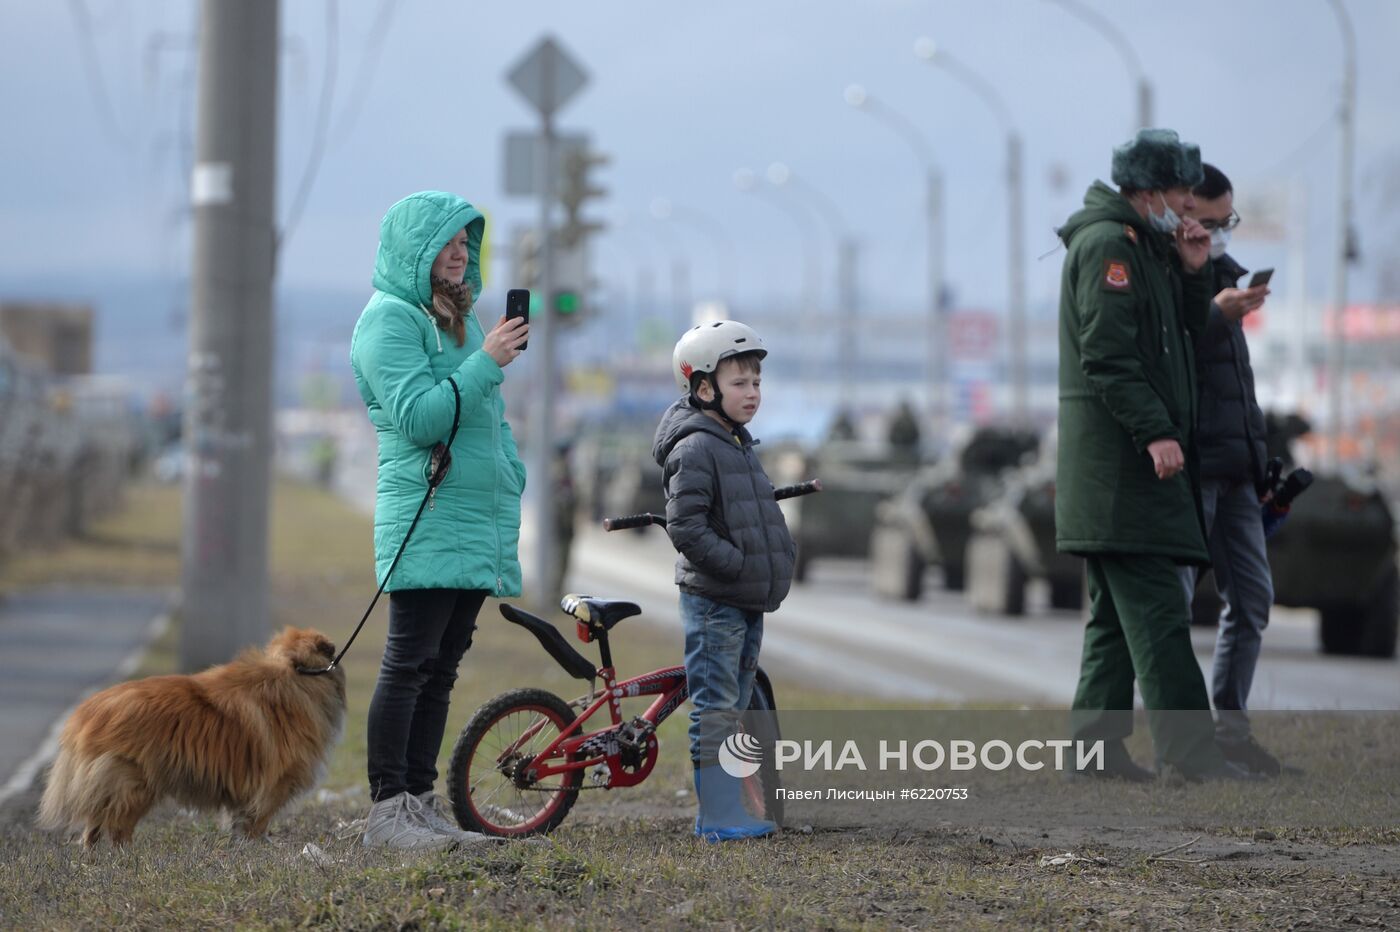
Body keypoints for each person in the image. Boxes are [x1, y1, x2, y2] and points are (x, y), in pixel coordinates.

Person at [1055, 129, 1256, 782]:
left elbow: (1182, 337)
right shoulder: (1111, 246)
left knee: (1114, 622)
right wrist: (1155, 432)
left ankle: (1094, 752)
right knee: (1161, 619)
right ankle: (1192, 756)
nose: (1188, 207)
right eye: (1179, 193)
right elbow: (1107, 356)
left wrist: (1193, 275)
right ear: (1148, 192)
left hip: (1128, 470)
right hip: (1123, 470)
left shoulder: (1146, 247)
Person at [349, 190, 529, 849]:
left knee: (443, 664)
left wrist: (511, 470)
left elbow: (485, 417)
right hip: (425, 512)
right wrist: (488, 361)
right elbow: (421, 418)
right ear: (415, 250)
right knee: (409, 661)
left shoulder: (457, 318)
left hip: (471, 515)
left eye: (466, 243)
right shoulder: (388, 321)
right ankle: (386, 810)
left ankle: (419, 801)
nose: (460, 253)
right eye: (448, 243)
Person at [652, 320, 795, 841]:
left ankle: (729, 808)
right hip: (717, 600)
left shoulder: (734, 441)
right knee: (714, 708)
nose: (753, 392)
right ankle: (717, 817)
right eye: (740, 383)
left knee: (731, 705)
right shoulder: (696, 447)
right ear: (703, 387)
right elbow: (685, 526)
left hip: (744, 599)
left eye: (757, 382)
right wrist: (735, 565)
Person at [1180, 163, 1283, 776]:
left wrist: (1258, 453)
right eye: (1210, 222)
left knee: (1253, 599)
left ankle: (1230, 731)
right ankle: (1185, 742)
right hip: (1195, 468)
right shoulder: (1173, 277)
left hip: (1238, 468)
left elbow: (1236, 385)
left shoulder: (1223, 277)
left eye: (1228, 222)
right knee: (1172, 607)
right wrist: (1215, 314)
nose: (1220, 234)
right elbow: (1170, 364)